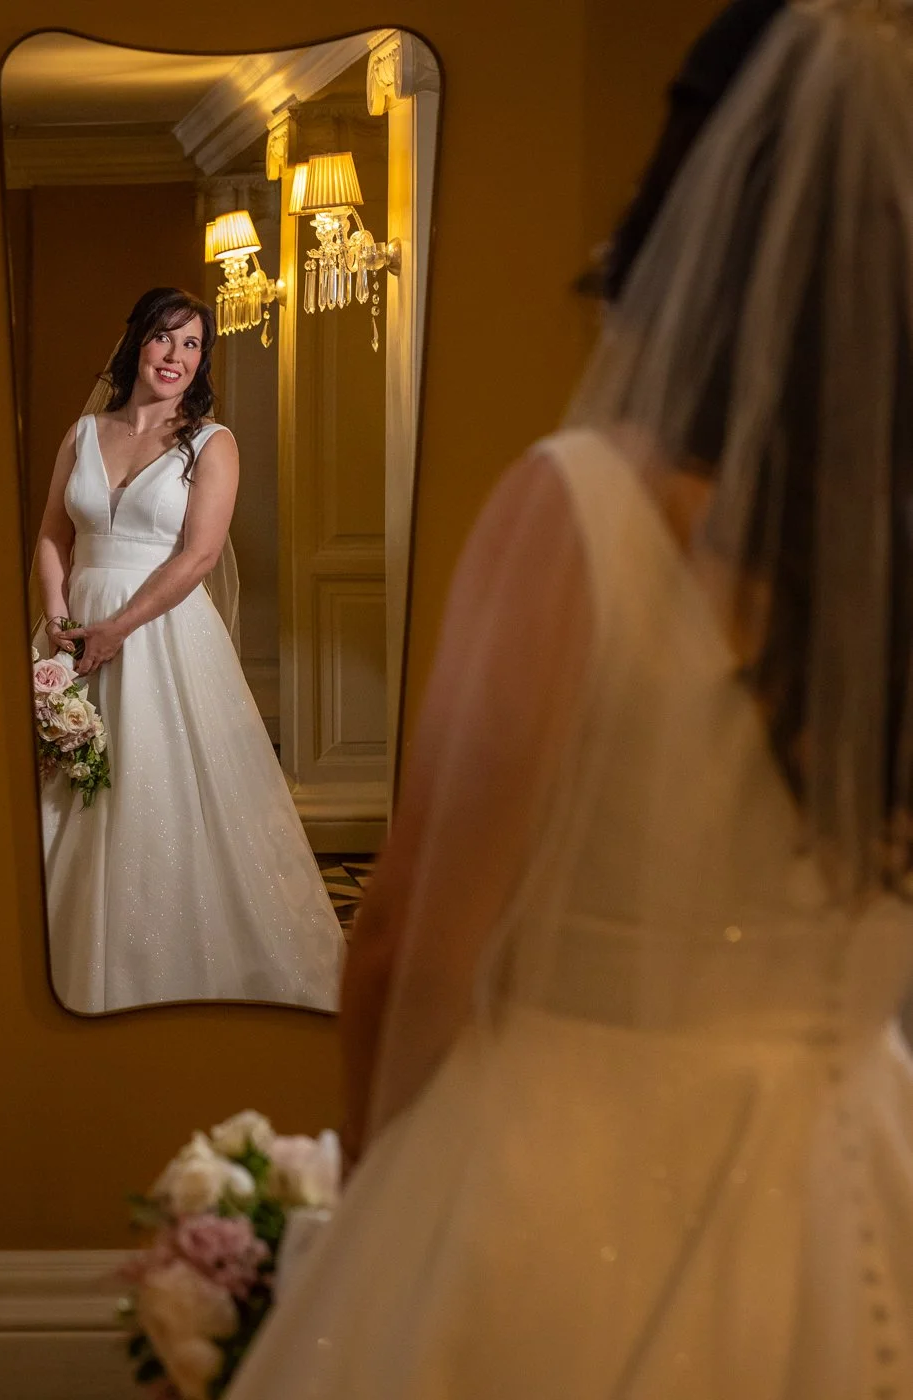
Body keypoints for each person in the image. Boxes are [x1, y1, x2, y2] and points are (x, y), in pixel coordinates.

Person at [225, 1, 913, 1395]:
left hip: (566, 1175)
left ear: (688, 194)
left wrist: (373, 1207)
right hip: (853, 1178)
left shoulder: (584, 509)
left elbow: (410, 934)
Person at [33, 286, 343, 1014]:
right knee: (63, 791)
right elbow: (54, 533)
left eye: (193, 344)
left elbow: (199, 556)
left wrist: (119, 627)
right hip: (72, 631)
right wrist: (57, 619)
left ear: (203, 360)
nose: (176, 356)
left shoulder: (212, 443)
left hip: (160, 633)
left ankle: (167, 977)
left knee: (153, 788)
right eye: (165, 338)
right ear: (137, 340)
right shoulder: (83, 434)